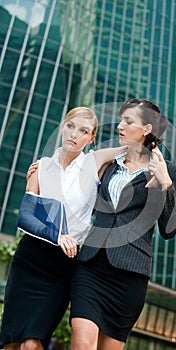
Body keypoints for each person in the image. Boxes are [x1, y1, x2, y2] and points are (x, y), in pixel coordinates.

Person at [0, 106, 126, 350]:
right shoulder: (42, 166)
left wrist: (146, 128)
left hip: (61, 267)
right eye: (70, 126)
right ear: (61, 128)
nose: (75, 134)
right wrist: (58, 236)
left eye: (83, 131)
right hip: (30, 260)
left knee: (32, 345)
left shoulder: (94, 162)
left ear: (91, 138)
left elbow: (133, 147)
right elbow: (25, 217)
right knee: (12, 345)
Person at [70, 99, 176, 350]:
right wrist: (43, 171)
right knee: (82, 342)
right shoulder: (110, 163)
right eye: (121, 120)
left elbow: (169, 229)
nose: (120, 126)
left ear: (146, 129)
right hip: (91, 266)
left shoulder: (168, 171)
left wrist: (166, 184)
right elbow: (73, 174)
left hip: (129, 275)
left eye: (128, 121)